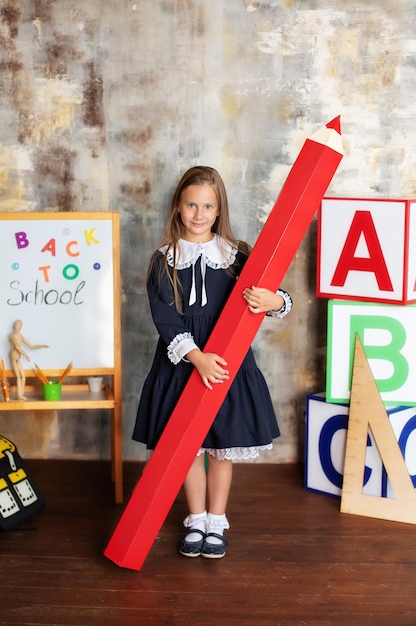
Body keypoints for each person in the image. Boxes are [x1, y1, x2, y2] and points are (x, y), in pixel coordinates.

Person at [132, 166, 292, 559]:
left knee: (222, 447)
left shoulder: (237, 255)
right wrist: (197, 358)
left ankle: (217, 522)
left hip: (227, 364)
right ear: (178, 207)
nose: (199, 214)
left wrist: (277, 302)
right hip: (184, 361)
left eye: (207, 206)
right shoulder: (163, 259)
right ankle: (197, 517)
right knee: (188, 448)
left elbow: (268, 294)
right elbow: (165, 318)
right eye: (191, 205)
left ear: (219, 210)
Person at [10, 320, 48, 400]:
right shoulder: (12, 336)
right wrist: (26, 355)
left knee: (23, 376)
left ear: (21, 327)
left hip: (19, 357)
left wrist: (42, 346)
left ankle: (21, 394)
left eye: (19, 324)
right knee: (18, 377)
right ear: (14, 325)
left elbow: (31, 346)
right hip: (14, 356)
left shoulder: (20, 335)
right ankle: (18, 395)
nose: (18, 325)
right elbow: (17, 347)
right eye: (17, 324)